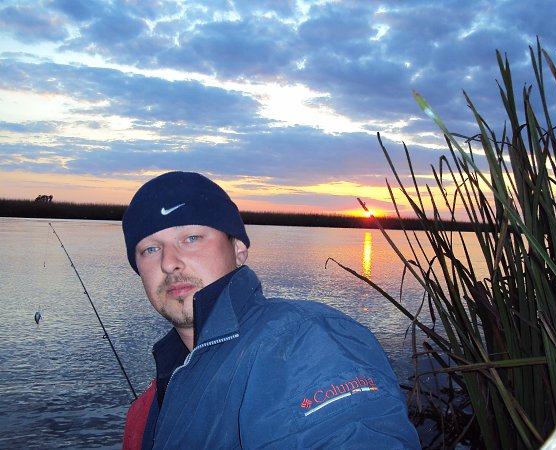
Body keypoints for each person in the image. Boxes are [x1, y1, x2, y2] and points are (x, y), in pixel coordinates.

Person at [121, 171, 421, 449]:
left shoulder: (302, 342)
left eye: (190, 238)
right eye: (150, 249)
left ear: (238, 250)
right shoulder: (155, 401)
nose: (168, 262)